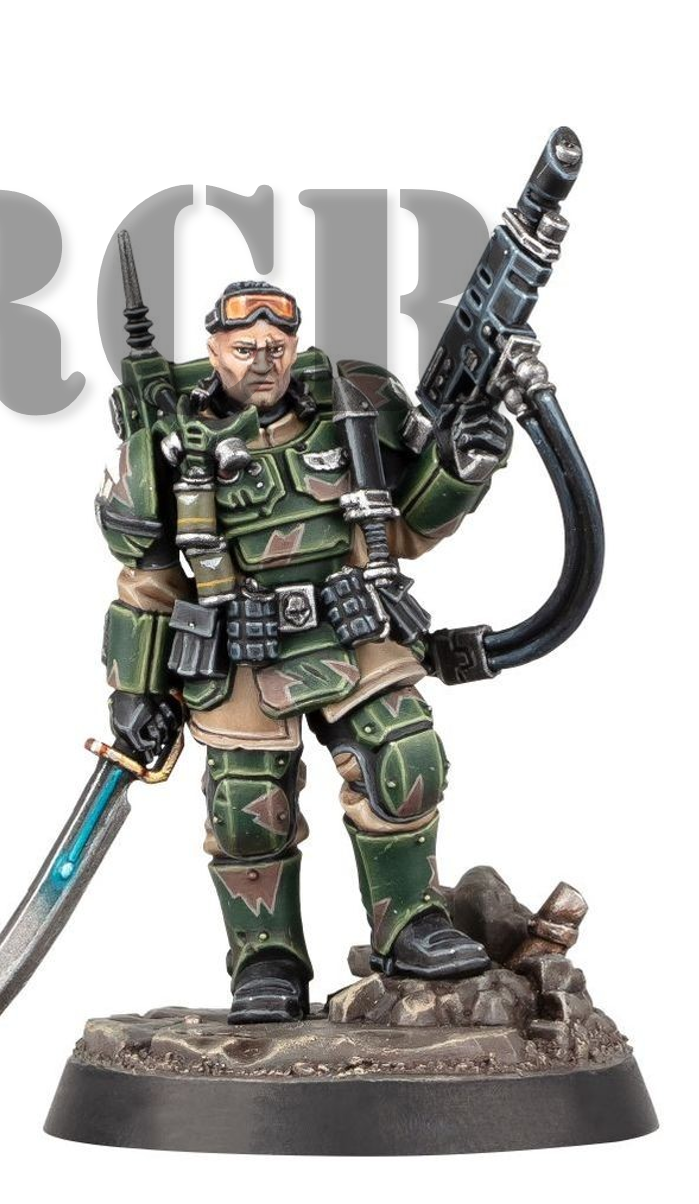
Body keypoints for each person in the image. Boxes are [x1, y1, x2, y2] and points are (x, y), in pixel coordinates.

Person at [96, 281, 514, 1023]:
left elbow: (404, 526)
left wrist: (460, 467)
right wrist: (135, 690)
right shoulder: (164, 450)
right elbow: (149, 583)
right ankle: (265, 959)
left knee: (404, 755)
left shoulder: (349, 414)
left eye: (276, 346)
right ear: (214, 349)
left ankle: (409, 923)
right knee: (245, 808)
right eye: (244, 348)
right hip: (240, 645)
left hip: (350, 625)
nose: (262, 362)